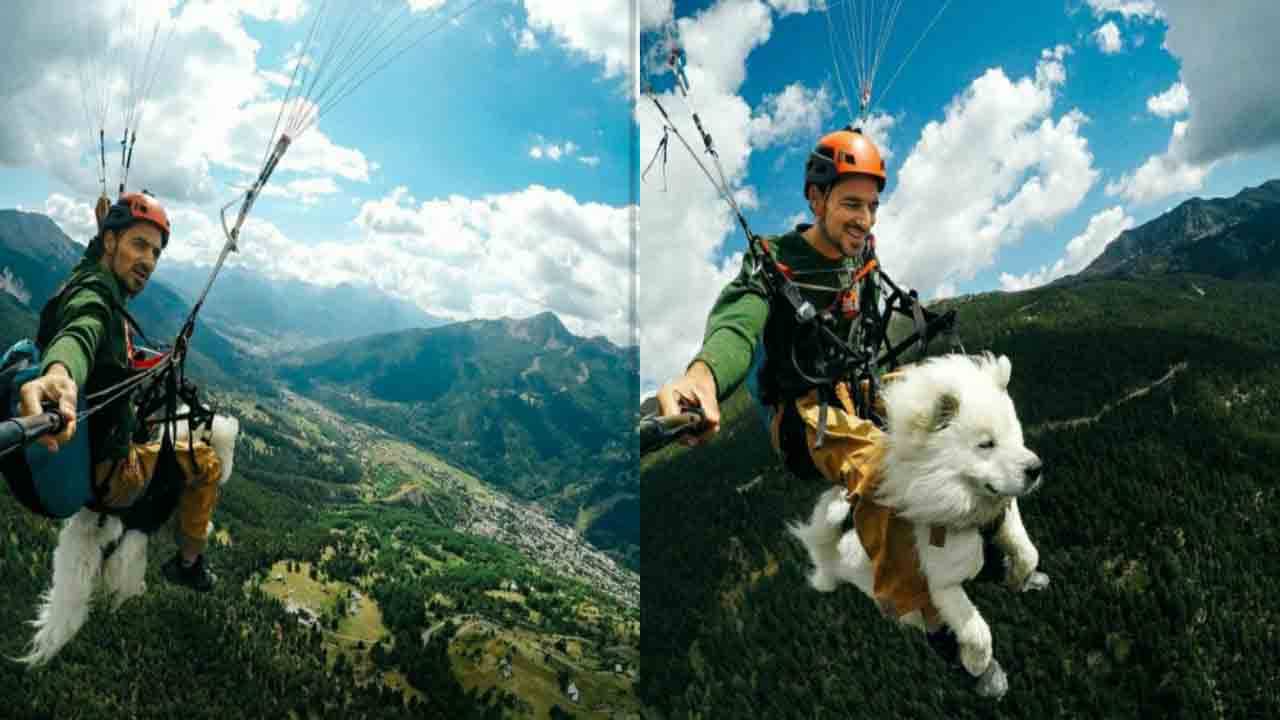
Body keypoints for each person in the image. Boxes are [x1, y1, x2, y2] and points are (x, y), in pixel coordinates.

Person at [655, 126, 1006, 665]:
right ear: (816, 200)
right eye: (851, 204)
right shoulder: (774, 262)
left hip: (859, 386)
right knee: (883, 470)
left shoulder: (861, 259)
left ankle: (992, 531)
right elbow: (737, 325)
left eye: (872, 206)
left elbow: (867, 333)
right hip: (805, 415)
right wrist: (704, 377)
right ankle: (932, 615)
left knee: (957, 400)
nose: (865, 220)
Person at [18, 191, 224, 591]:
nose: (148, 261)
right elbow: (81, 329)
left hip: (93, 444)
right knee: (208, 462)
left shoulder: (90, 272)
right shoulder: (94, 296)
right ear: (112, 243)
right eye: (139, 245)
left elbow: (92, 272)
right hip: (110, 475)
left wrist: (103, 233)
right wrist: (60, 374)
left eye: (156, 252)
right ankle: (189, 562)